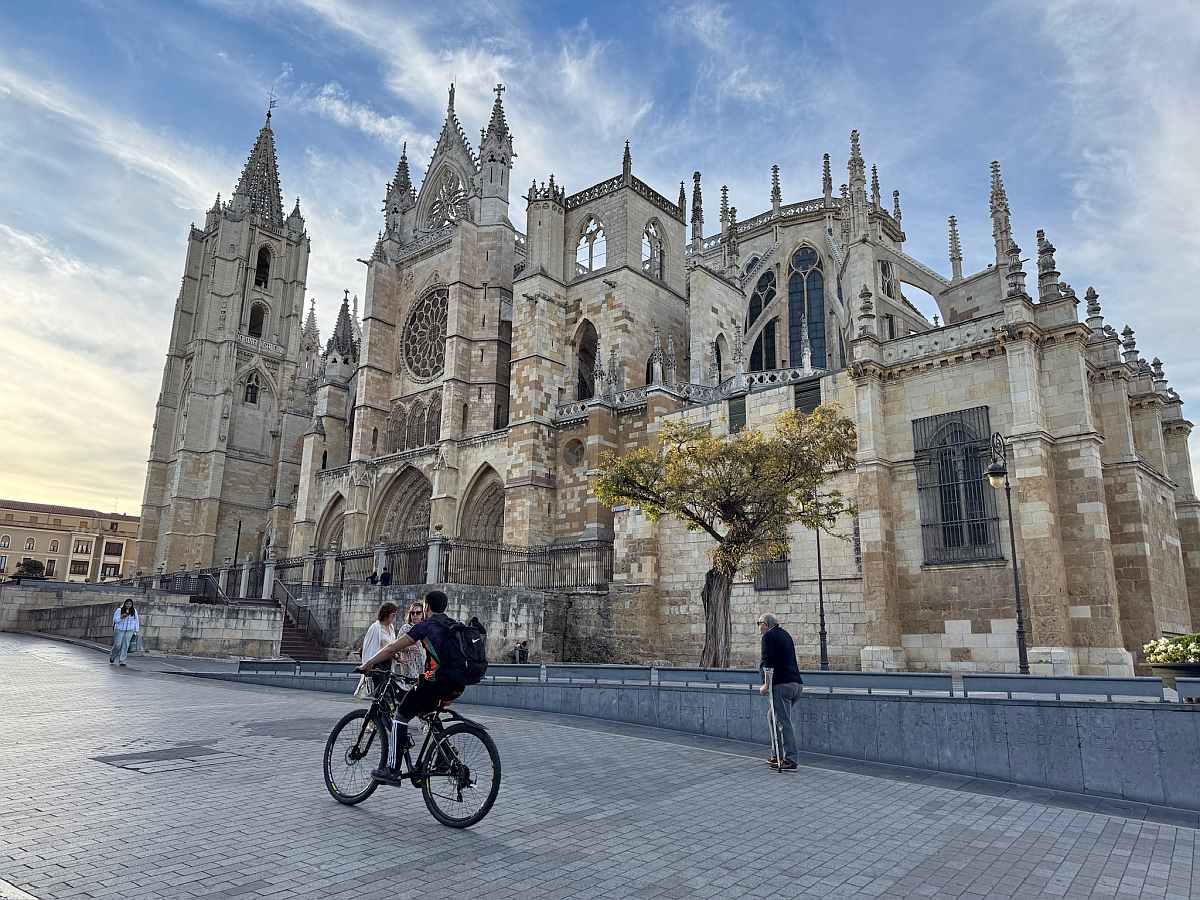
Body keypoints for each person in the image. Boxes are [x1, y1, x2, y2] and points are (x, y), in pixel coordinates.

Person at [356, 590, 466, 783]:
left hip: (437, 682)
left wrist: (367, 664)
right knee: (428, 714)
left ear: (427, 607)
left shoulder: (425, 626)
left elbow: (391, 648)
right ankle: (444, 757)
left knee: (400, 716)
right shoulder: (451, 624)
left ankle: (392, 769)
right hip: (457, 683)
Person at [758, 612, 802, 770]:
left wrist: (766, 685)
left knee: (784, 722)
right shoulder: (785, 635)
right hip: (796, 685)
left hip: (781, 685)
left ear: (767, 624)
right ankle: (777, 754)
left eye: (760, 623)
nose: (759, 627)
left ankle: (790, 759)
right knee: (772, 716)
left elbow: (768, 663)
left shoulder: (768, 637)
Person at [355, 602, 398, 698]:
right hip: (378, 664)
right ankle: (378, 712)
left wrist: (396, 656)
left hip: (388, 664)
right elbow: (369, 648)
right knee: (381, 693)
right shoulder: (375, 628)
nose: (394, 617)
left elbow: (392, 645)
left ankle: (384, 712)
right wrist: (369, 665)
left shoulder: (391, 628)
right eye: (393, 615)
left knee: (388, 692)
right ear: (387, 614)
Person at [395, 601, 427, 680]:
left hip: (423, 665)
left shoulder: (426, 627)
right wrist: (409, 647)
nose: (415, 615)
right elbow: (396, 647)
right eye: (412, 613)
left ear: (423, 614)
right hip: (410, 666)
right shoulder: (405, 628)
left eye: (418, 612)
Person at [110, 599, 140, 666]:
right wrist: (121, 617)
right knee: (118, 645)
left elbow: (136, 621)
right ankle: (112, 656)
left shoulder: (134, 611)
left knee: (126, 645)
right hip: (119, 629)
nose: (128, 605)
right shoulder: (119, 610)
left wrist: (136, 630)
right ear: (124, 604)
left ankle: (122, 660)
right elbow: (115, 620)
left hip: (130, 630)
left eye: (130, 604)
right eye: (127, 604)